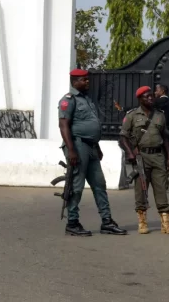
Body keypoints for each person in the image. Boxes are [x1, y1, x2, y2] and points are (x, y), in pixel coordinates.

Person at [58, 68, 127, 236]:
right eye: (84, 80)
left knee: (99, 184)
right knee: (77, 186)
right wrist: (71, 150)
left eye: (87, 79)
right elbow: (63, 125)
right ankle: (72, 223)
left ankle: (107, 222)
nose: (88, 82)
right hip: (78, 145)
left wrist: (97, 146)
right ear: (75, 82)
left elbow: (92, 126)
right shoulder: (68, 100)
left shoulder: (87, 100)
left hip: (91, 147)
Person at [119, 86, 169, 235]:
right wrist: (130, 153)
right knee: (141, 190)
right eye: (146, 96)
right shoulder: (132, 115)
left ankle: (166, 223)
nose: (150, 98)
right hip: (141, 157)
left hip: (158, 157)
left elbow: (165, 138)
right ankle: (142, 222)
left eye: (151, 96)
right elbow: (123, 137)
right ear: (140, 99)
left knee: (161, 188)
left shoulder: (160, 115)